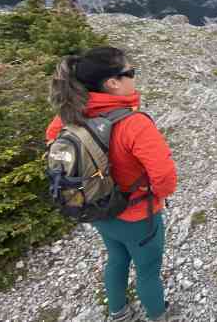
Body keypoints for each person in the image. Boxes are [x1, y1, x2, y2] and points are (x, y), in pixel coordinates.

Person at [46, 47, 178, 322]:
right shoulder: (134, 124)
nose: (134, 77)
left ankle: (118, 312)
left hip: (96, 207)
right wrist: (161, 196)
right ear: (113, 83)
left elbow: (52, 144)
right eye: (130, 72)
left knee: (117, 258)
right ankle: (159, 315)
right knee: (148, 269)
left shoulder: (67, 116)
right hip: (137, 214)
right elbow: (164, 176)